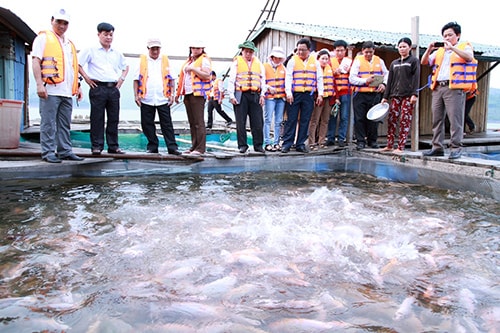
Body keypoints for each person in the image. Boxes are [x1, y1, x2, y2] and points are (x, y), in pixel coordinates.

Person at [31, 8, 84, 163]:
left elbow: (72, 67)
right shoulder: (43, 38)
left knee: (64, 124)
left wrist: (78, 86)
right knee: (48, 123)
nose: (62, 26)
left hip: (67, 92)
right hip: (50, 90)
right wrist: (39, 85)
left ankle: (65, 151)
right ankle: (48, 152)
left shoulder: (69, 44)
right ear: (52, 21)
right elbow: (36, 61)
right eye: (59, 22)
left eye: (65, 23)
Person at [421, 22, 475, 160]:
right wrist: (429, 49)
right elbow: (424, 62)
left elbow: (469, 57)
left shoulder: (465, 46)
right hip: (438, 87)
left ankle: (456, 148)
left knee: (454, 119)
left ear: (458, 35)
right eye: (445, 36)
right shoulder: (439, 51)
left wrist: (452, 48)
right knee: (436, 119)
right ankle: (437, 147)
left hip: (454, 88)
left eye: (450, 35)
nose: (447, 38)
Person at [78, 22, 129, 155]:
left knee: (113, 118)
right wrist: (86, 78)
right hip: (98, 87)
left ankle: (113, 146)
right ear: (99, 34)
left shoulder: (116, 53)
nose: (108, 37)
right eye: (105, 34)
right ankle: (97, 146)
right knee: (97, 118)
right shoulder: (90, 50)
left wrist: (121, 79)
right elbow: (77, 64)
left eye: (111, 35)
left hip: (113, 88)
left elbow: (126, 66)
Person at [133, 38, 181, 155]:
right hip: (147, 97)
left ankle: (172, 147)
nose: (155, 51)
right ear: (148, 49)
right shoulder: (142, 62)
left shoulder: (166, 61)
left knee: (167, 124)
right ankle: (152, 146)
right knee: (147, 124)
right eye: (153, 49)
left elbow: (172, 79)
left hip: (163, 97)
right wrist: (136, 95)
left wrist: (172, 94)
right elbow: (136, 79)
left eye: (157, 49)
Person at [281, 38, 324, 153]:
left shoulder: (315, 62)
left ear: (309, 50)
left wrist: (320, 94)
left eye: (303, 50)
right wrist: (288, 92)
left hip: (308, 94)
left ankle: (300, 144)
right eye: (298, 50)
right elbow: (288, 77)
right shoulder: (292, 61)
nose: (300, 52)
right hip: (295, 93)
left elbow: (319, 78)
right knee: (291, 119)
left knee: (305, 119)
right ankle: (287, 143)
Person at [380, 37, 420, 154]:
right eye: (400, 47)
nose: (402, 49)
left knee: (404, 120)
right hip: (395, 95)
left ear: (410, 48)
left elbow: (416, 78)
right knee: (392, 119)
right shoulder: (394, 63)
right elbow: (390, 81)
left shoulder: (413, 61)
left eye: (404, 46)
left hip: (407, 95)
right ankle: (389, 145)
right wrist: (385, 97)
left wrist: (414, 94)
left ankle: (401, 146)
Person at [227, 40, 266, 154]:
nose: (248, 54)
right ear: (242, 51)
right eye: (246, 51)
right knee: (241, 121)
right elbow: (231, 79)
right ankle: (242, 146)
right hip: (241, 94)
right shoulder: (236, 63)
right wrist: (231, 95)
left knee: (258, 122)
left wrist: (262, 95)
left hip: (255, 94)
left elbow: (263, 80)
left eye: (250, 52)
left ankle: (258, 145)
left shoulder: (259, 63)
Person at [349, 41, 388, 150]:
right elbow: (352, 78)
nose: (368, 54)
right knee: (359, 118)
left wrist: (383, 84)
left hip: (375, 94)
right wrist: (365, 80)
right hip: (360, 94)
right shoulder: (357, 61)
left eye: (370, 52)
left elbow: (387, 74)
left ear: (374, 51)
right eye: (366, 52)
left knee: (374, 118)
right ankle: (361, 141)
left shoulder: (379, 61)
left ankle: (372, 141)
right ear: (362, 51)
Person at [175, 41, 212, 156]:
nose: (195, 50)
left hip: (198, 94)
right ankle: (194, 146)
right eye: (194, 48)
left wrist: (193, 69)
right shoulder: (189, 61)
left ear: (202, 49)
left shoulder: (204, 60)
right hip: (187, 93)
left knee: (198, 121)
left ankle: (200, 148)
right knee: (192, 122)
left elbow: (207, 75)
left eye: (198, 48)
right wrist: (178, 93)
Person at [308, 49, 338, 150]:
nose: (324, 61)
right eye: (323, 58)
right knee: (314, 120)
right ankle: (311, 142)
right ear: (318, 59)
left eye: (326, 59)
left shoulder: (330, 69)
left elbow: (334, 84)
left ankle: (321, 141)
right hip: (318, 97)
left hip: (328, 98)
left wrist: (336, 98)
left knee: (325, 120)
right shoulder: (315, 69)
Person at [326, 39, 352, 147]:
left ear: (345, 51)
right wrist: (334, 72)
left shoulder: (350, 62)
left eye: (342, 50)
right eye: (337, 50)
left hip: (346, 92)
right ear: (334, 51)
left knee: (344, 116)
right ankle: (330, 138)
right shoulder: (330, 62)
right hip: (334, 93)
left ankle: (341, 138)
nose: (340, 52)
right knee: (333, 116)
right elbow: (326, 74)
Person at [263, 46, 286, 152]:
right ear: (272, 57)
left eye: (280, 58)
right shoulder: (265, 67)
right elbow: (261, 82)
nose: (278, 60)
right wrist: (268, 87)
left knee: (278, 121)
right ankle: (267, 142)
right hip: (269, 98)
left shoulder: (283, 68)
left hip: (281, 97)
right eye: (276, 57)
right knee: (267, 120)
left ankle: (276, 143)